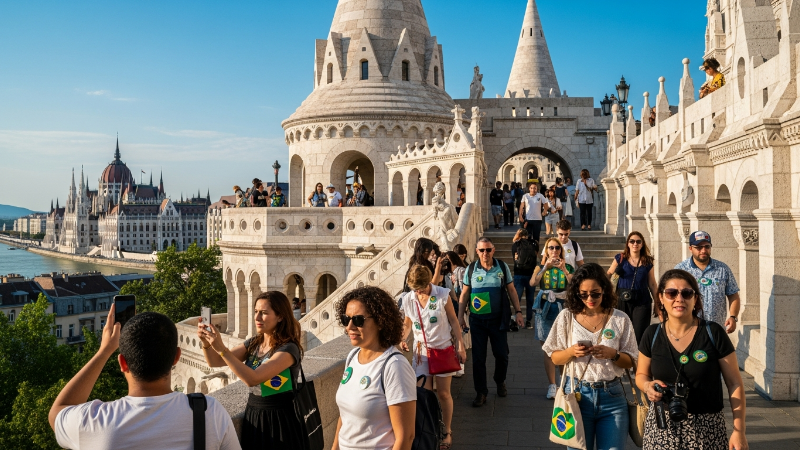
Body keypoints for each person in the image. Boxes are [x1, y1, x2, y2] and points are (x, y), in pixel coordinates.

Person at [49, 306, 240, 450]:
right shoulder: (209, 412)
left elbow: (57, 412)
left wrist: (104, 351)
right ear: (176, 357)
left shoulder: (95, 422)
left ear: (123, 363)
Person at [636, 270, 747, 450]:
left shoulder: (713, 332)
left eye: (687, 293)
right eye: (671, 293)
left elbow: (734, 383)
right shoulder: (652, 334)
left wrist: (739, 430)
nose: (679, 299)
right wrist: (647, 386)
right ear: (661, 298)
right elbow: (641, 374)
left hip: (707, 428)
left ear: (695, 299)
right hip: (662, 427)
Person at [544, 263, 638, 450]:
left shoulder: (620, 319)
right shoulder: (566, 317)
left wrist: (613, 354)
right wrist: (571, 352)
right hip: (577, 396)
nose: (590, 299)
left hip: (613, 398)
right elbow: (554, 357)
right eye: (583, 294)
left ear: (604, 290)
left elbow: (632, 361)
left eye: (595, 294)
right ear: (576, 293)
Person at [198, 291, 304, 449]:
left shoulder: (288, 349)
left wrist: (222, 348)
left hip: (279, 420)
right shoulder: (255, 342)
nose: (257, 318)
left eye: (264, 313)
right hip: (254, 415)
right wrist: (206, 343)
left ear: (280, 316)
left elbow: (253, 378)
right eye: (256, 312)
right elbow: (215, 361)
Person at [332, 286, 417, 450]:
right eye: (345, 319)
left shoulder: (395, 366)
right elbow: (345, 418)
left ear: (380, 321)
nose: (349, 327)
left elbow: (406, 437)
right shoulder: (353, 357)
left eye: (358, 320)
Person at [400, 265, 467, 450]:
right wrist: (403, 339)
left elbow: (454, 321)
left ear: (428, 282)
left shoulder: (442, 294)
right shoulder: (408, 298)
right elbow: (407, 323)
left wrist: (461, 346)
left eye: (421, 288)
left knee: (444, 393)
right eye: (415, 289)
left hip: (442, 349)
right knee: (423, 395)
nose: (419, 292)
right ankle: (428, 430)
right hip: (421, 353)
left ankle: (447, 431)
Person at [457, 237, 525, 407]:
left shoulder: (502, 267)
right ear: (477, 251)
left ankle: (500, 380)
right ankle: (481, 392)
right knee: (478, 358)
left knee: (501, 354)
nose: (485, 253)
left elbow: (511, 290)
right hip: (477, 321)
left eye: (488, 250)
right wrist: (460, 316)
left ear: (493, 250)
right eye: (482, 250)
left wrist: (518, 312)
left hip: (498, 320)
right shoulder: (471, 269)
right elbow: (464, 293)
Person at [530, 238, 576, 399]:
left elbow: (574, 283)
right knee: (548, 348)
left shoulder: (568, 266)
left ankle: (563, 383)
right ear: (546, 250)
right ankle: (552, 385)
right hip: (545, 308)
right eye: (551, 248)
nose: (554, 250)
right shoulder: (539, 267)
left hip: (563, 307)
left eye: (557, 248)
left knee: (564, 347)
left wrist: (564, 270)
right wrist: (545, 268)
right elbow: (533, 282)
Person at [674, 231, 740, 332]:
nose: (703, 250)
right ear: (690, 248)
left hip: (716, 328)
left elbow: (733, 295)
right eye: (699, 247)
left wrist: (733, 317)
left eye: (707, 246)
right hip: (688, 329)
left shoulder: (722, 269)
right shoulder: (681, 270)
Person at [607, 231, 659, 343]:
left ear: (642, 244)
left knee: (639, 333)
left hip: (642, 300)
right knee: (621, 331)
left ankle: (638, 354)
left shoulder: (648, 261)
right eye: (632, 241)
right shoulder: (620, 258)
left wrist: (657, 302)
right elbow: (609, 274)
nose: (635, 244)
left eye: (638, 242)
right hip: (622, 299)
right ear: (628, 244)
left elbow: (652, 284)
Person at [511, 229, 537, 329]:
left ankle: (516, 319)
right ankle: (528, 321)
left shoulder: (515, 245)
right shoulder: (534, 243)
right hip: (531, 275)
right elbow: (535, 257)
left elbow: (515, 259)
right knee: (530, 299)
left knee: (517, 298)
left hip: (519, 274)